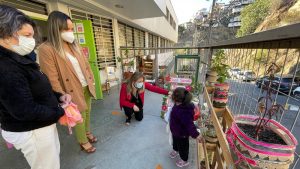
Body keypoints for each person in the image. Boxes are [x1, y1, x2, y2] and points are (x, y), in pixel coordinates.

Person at [0, 5, 71, 169]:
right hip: (32, 130)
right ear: (5, 34)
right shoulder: (5, 67)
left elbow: (35, 88)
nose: (32, 40)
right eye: (27, 35)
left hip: (42, 124)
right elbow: (24, 110)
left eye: (32, 35)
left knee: (51, 162)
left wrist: (58, 96)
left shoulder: (20, 58)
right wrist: (60, 111)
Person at [38, 11, 97, 153]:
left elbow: (86, 65)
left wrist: (91, 79)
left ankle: (87, 132)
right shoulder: (46, 49)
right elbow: (51, 77)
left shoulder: (73, 44)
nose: (70, 32)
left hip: (86, 85)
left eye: (71, 29)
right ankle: (83, 141)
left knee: (88, 112)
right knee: (79, 117)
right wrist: (61, 94)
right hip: (70, 90)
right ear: (55, 29)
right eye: (66, 29)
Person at [169, 87, 202, 168]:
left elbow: (189, 124)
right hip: (176, 131)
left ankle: (184, 160)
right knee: (175, 142)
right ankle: (176, 150)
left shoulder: (184, 111)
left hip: (182, 134)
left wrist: (196, 134)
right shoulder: (179, 104)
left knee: (183, 147)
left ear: (178, 99)